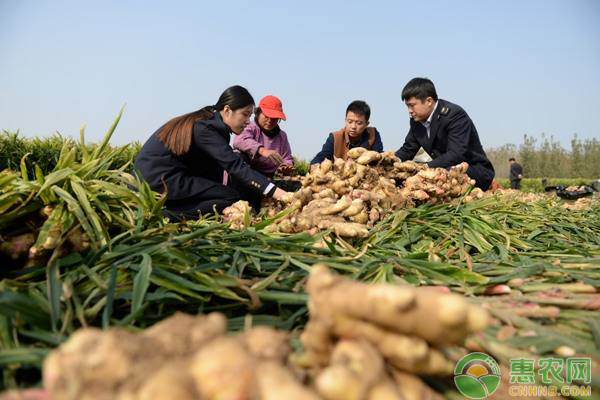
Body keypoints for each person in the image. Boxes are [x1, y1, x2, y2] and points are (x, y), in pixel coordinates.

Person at [134, 85, 289, 220]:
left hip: (165, 175)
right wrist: (280, 194)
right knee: (230, 197)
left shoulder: (210, 122)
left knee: (226, 192)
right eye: (245, 114)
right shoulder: (206, 128)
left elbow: (216, 169)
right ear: (227, 110)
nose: (248, 121)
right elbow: (235, 166)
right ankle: (163, 215)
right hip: (157, 179)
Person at [394, 78, 495, 190]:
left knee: (425, 180)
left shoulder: (454, 115)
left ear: (429, 101)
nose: (409, 110)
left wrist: (425, 168)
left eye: (412, 105)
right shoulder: (416, 121)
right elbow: (408, 149)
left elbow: (456, 154)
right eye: (407, 106)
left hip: (474, 170)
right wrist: (388, 161)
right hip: (443, 169)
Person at [232, 95, 294, 178]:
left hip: (267, 178)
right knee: (238, 157)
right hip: (245, 173)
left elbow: (287, 158)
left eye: (274, 118)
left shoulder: (282, 136)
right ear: (258, 113)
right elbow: (239, 141)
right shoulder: (250, 126)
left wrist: (285, 167)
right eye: (266, 116)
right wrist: (262, 150)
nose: (269, 121)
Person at [310, 100, 383, 164]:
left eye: (359, 123)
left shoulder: (373, 134)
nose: (353, 126)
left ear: (366, 124)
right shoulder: (335, 137)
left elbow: (379, 156)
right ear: (345, 120)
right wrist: (315, 164)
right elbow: (323, 155)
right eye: (350, 122)